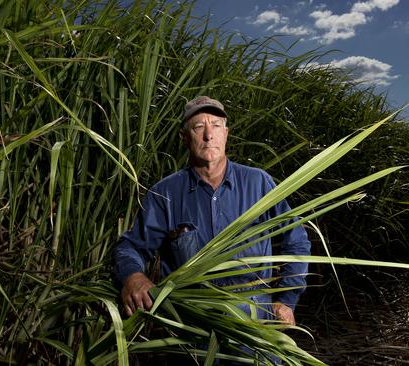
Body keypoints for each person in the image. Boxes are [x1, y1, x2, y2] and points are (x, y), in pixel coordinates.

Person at [113, 96, 310, 326]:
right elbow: (130, 247)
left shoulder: (259, 184)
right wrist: (133, 277)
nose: (209, 135)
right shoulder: (165, 194)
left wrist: (287, 300)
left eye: (216, 126)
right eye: (199, 127)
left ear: (226, 134)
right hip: (191, 328)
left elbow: (296, 241)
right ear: (184, 137)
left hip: (256, 324)